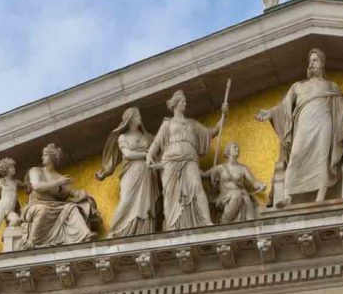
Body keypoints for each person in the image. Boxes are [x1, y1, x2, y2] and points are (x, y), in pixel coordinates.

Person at [258, 50, 343, 206]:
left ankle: (321, 196)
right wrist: (270, 113)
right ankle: (287, 196)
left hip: (323, 123)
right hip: (304, 125)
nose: (311, 64)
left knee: (322, 157)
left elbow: (341, 106)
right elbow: (284, 107)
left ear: (322, 64)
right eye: (310, 61)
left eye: (315, 60)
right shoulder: (298, 86)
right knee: (296, 155)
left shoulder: (330, 85)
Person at [149, 90, 216, 231]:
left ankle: (206, 221)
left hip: (190, 159)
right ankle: (172, 224)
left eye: (185, 101)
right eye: (182, 101)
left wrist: (224, 117)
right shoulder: (167, 124)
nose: (185, 104)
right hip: (170, 162)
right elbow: (156, 142)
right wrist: (150, 156)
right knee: (170, 194)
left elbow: (210, 133)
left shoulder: (192, 123)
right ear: (175, 104)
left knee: (197, 186)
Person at [102, 107, 159, 238]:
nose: (140, 118)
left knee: (147, 205)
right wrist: (146, 154)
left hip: (147, 173)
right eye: (137, 115)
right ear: (130, 118)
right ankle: (115, 231)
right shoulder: (123, 137)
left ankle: (143, 232)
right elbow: (127, 154)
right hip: (131, 172)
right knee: (126, 200)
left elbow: (160, 146)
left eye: (140, 115)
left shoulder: (148, 137)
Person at [208, 140, 264, 225]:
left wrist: (261, 185)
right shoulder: (220, 168)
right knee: (236, 194)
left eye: (238, 147)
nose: (238, 149)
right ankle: (224, 221)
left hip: (242, 195)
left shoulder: (243, 168)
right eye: (235, 147)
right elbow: (205, 175)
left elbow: (254, 183)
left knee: (251, 220)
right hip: (226, 196)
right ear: (228, 151)